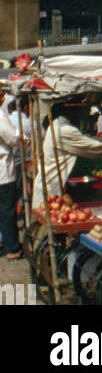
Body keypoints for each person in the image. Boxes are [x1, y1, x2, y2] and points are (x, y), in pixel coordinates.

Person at [31, 101, 102, 208]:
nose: (84, 115)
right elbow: (92, 148)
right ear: (71, 111)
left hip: (50, 189)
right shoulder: (64, 130)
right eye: (80, 111)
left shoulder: (57, 125)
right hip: (51, 193)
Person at [0, 88, 23, 259]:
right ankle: (12, 249)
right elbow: (13, 137)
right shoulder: (0, 116)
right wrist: (25, 140)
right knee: (7, 211)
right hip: (3, 172)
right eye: (1, 94)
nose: (4, 97)